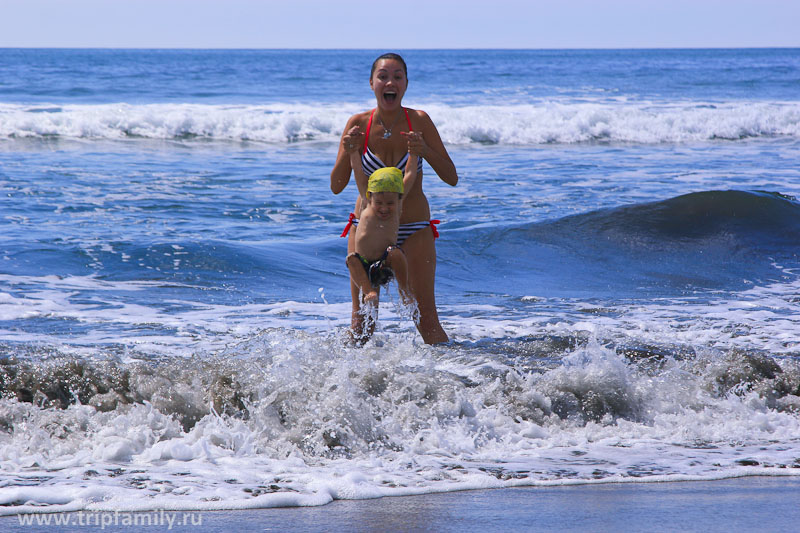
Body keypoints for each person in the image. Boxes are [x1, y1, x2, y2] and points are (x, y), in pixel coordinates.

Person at [331, 52, 458, 344]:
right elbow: (337, 186)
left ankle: (453, 379)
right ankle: (346, 385)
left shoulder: (420, 121)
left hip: (413, 229)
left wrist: (424, 149)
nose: (390, 82)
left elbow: (451, 177)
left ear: (406, 83)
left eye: (397, 76)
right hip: (366, 232)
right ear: (372, 83)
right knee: (361, 323)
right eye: (383, 76)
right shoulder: (358, 123)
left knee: (425, 319)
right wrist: (348, 149)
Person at [342, 126, 418, 316]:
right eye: (380, 203)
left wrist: (414, 153)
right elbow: (358, 171)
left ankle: (404, 290)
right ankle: (369, 291)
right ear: (370, 197)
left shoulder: (399, 203)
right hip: (364, 264)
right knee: (351, 259)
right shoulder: (366, 201)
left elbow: (409, 174)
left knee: (396, 253)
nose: (385, 208)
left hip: (386, 262)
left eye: (390, 203)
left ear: (399, 198)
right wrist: (352, 151)